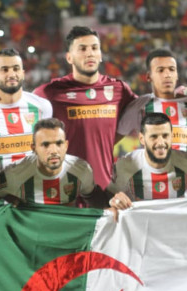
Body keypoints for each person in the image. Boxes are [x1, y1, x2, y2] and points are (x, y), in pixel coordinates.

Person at [33, 26, 137, 189]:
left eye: (94, 48)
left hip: (104, 191)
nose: (90, 53)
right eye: (82, 49)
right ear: (69, 58)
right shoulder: (50, 91)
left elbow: (145, 108)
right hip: (66, 192)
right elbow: (20, 106)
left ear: (100, 55)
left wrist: (177, 94)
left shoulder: (119, 89)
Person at [0, 117, 106, 225]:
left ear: (66, 145)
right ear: (33, 148)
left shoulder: (81, 169)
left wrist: (110, 207)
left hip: (65, 239)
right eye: (45, 145)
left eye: (59, 143)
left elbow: (92, 195)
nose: (53, 151)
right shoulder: (15, 174)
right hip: (30, 242)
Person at [108, 112, 187, 210]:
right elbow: (110, 198)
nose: (161, 142)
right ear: (142, 139)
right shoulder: (126, 165)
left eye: (165, 136)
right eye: (154, 137)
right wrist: (114, 201)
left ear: (172, 136)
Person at [0, 48, 52, 169]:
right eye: (4, 70)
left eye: (16, 69)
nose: (11, 74)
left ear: (23, 73)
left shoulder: (42, 107)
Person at [117, 49, 187, 155]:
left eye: (171, 69)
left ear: (177, 75)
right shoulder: (139, 107)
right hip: (153, 165)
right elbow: (109, 142)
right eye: (160, 70)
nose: (167, 75)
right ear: (148, 76)